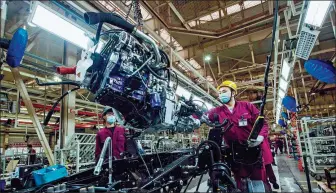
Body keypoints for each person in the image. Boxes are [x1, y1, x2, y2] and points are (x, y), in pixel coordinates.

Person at [206, 80, 271, 190]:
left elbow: (262, 123)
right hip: (234, 154)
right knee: (239, 183)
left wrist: (260, 137)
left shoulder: (247, 106)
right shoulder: (216, 111)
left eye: (224, 91)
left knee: (259, 181)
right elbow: (202, 116)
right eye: (220, 92)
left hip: (252, 150)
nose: (222, 94)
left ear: (233, 93)